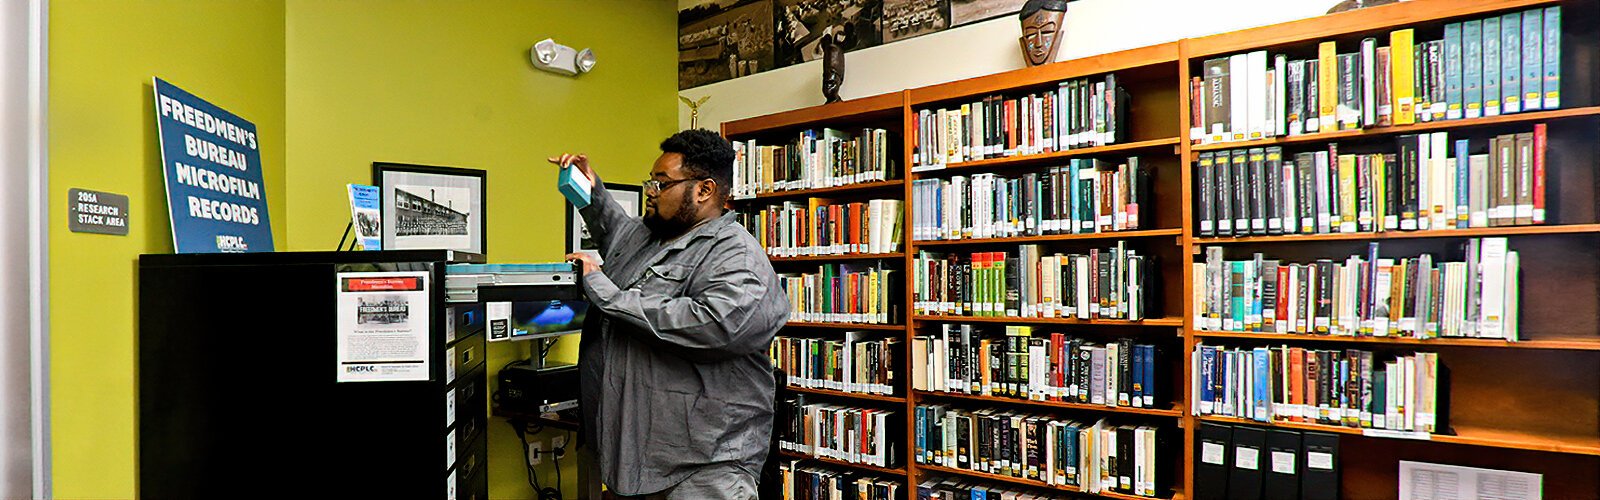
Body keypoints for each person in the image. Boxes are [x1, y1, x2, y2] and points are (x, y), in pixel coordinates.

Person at [548, 129, 788, 500]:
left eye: (662, 183)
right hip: (637, 455)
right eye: (651, 181)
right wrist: (591, 191)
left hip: (703, 466)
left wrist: (605, 292)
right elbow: (615, 230)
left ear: (704, 190)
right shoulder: (653, 235)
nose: (651, 191)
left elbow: (717, 324)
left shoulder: (734, 254)